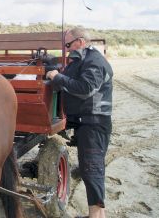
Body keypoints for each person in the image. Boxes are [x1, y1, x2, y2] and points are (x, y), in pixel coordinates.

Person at [46, 27, 113, 218]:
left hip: (94, 124)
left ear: (81, 42)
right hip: (86, 123)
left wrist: (57, 77)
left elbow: (85, 88)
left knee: (92, 171)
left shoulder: (94, 61)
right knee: (89, 170)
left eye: (68, 45)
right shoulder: (82, 60)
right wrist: (55, 73)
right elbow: (70, 80)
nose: (67, 49)